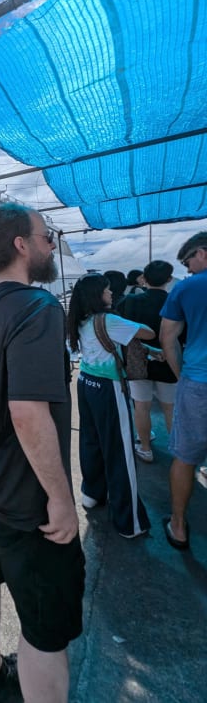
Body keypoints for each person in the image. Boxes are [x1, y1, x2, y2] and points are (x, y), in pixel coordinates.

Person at [0, 203, 84, 703]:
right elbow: (28, 413)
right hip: (27, 500)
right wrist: (60, 498)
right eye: (46, 235)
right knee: (46, 632)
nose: (51, 244)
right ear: (20, 244)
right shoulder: (37, 309)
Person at [67, 273, 153, 538]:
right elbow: (149, 333)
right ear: (97, 295)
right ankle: (130, 522)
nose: (110, 293)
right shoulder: (110, 320)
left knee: (91, 442)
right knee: (120, 451)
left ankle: (92, 494)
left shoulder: (80, 320)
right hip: (109, 388)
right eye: (106, 290)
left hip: (86, 383)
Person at [159, 232, 207, 551]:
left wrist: (181, 375)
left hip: (199, 381)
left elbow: (167, 338)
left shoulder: (186, 288)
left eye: (188, 260)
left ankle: (178, 526)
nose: (187, 267)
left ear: (201, 253)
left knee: (185, 458)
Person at [118, 260, 179, 462]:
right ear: (169, 279)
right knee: (170, 407)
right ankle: (177, 452)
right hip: (169, 360)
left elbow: (123, 331)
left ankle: (145, 448)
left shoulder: (130, 301)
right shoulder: (175, 301)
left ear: (144, 278)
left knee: (141, 406)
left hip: (138, 361)